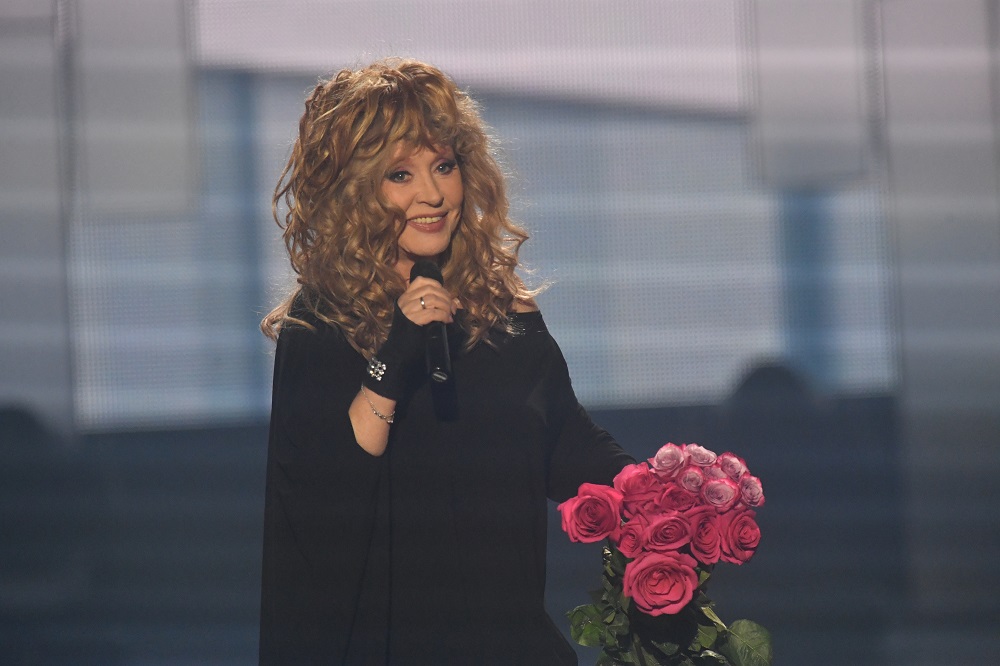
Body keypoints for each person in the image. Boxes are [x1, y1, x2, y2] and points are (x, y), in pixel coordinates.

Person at [258, 58, 633, 665]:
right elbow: (324, 497)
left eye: (444, 166)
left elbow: (564, 442)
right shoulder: (321, 321)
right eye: (400, 175)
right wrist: (397, 348)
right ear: (354, 190)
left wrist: (660, 493)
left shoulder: (500, 309)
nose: (432, 195)